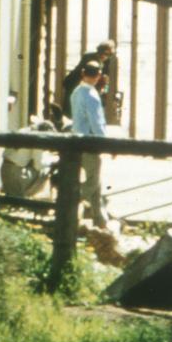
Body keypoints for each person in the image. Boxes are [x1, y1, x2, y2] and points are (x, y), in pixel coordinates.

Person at [70, 61, 110, 225]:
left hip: (76, 139)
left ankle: (99, 217)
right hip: (90, 143)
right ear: (98, 75)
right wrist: (107, 144)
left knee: (96, 180)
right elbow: (96, 123)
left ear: (83, 73)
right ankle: (69, 203)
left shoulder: (76, 92)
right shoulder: (92, 96)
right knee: (93, 181)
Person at [0, 118, 56, 198]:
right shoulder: (38, 138)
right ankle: (37, 197)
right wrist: (51, 162)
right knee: (45, 170)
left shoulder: (25, 130)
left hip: (4, 170)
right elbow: (38, 165)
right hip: (16, 175)